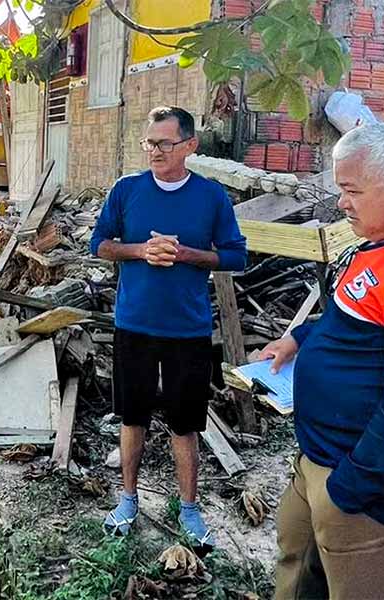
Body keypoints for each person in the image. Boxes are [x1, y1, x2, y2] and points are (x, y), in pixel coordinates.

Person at [262, 123, 384, 600]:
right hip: (323, 460)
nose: (341, 202)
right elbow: (351, 312)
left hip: (372, 493)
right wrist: (299, 337)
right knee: (295, 574)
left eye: (351, 190)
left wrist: (348, 491)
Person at [90, 106, 247, 544]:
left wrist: (188, 255)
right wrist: (141, 251)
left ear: (190, 146)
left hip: (188, 329)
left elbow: (236, 255)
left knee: (185, 423)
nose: (154, 151)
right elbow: (98, 244)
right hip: (134, 324)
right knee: (132, 416)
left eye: (164, 143)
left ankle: (190, 510)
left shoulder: (212, 197)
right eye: (149, 142)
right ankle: (127, 499)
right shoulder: (126, 191)